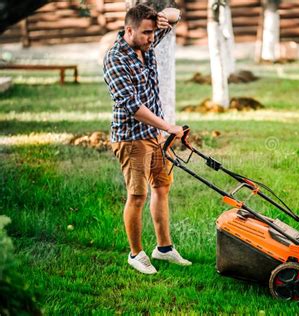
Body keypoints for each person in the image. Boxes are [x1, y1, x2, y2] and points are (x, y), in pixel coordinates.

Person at [103, 3, 190, 274]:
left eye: (154, 32)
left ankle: (163, 249)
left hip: (155, 135)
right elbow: (132, 105)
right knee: (137, 195)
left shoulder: (146, 42)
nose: (152, 38)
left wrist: (166, 17)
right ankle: (136, 254)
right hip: (131, 138)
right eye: (146, 33)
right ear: (128, 30)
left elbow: (176, 14)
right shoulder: (115, 59)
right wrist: (170, 126)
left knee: (162, 187)